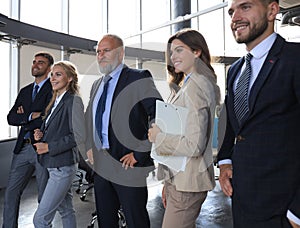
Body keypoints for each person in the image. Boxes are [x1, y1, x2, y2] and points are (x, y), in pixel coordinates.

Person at [217, 0, 300, 227]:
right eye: (231, 12)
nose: (234, 18)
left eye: (245, 7)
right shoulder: (235, 70)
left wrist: (297, 213)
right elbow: (230, 119)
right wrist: (224, 161)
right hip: (242, 199)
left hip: (283, 208)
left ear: (272, 11)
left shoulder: (295, 58)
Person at [84, 34, 162, 228]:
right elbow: (89, 119)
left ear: (120, 53)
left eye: (106, 51)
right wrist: (89, 147)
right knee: (106, 220)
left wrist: (140, 153)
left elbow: (159, 115)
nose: (100, 56)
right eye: (98, 52)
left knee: (135, 220)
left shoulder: (138, 77)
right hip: (102, 164)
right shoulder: (97, 85)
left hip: (128, 164)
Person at [148, 28, 220, 228]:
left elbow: (194, 145)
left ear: (197, 52)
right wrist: (167, 183)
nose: (173, 57)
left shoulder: (197, 87)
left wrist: (158, 137)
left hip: (187, 183)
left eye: (179, 50)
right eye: (171, 52)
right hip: (178, 180)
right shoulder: (185, 84)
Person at [3, 52, 54, 228]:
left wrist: (24, 117)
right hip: (22, 148)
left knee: (44, 196)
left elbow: (48, 118)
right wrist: (31, 115)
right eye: (34, 61)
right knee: (11, 192)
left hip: (41, 147)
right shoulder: (25, 91)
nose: (35, 65)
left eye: (41, 62)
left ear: (49, 68)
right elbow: (11, 118)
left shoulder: (53, 89)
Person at [32, 61, 86, 227]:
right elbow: (54, 128)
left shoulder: (73, 101)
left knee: (40, 220)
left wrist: (49, 147)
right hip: (53, 164)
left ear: (69, 78)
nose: (52, 78)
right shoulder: (55, 100)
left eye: (58, 74)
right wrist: (40, 133)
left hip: (62, 166)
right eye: (52, 75)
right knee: (66, 210)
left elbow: (79, 135)